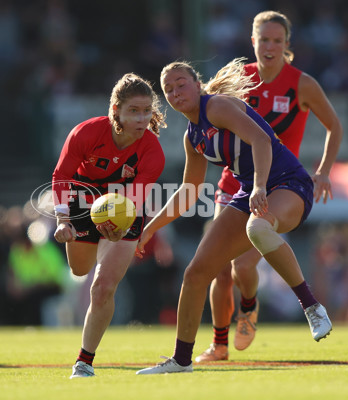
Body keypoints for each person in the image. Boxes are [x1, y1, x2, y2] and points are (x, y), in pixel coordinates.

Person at [136, 59, 332, 375]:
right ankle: (181, 360)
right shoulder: (192, 136)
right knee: (196, 272)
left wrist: (257, 187)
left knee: (258, 228)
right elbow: (188, 191)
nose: (175, 92)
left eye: (181, 83)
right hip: (250, 192)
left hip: (288, 183)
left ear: (197, 85)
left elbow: (262, 140)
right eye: (168, 89)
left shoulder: (218, 107)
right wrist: (149, 229)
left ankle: (312, 307)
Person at [196, 10, 343, 362]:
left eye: (277, 40)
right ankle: (218, 346)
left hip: (277, 185)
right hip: (233, 182)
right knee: (218, 266)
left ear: (287, 45)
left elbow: (334, 127)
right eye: (263, 39)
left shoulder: (301, 84)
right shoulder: (237, 79)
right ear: (253, 42)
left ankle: (249, 306)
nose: (270, 46)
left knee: (243, 267)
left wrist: (322, 171)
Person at [52, 73, 166, 378]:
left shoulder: (152, 152)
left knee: (102, 287)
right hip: (82, 200)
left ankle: (84, 361)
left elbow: (134, 200)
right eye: (133, 111)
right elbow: (60, 176)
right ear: (115, 109)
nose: (142, 119)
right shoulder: (86, 133)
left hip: (122, 206)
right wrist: (63, 220)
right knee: (79, 270)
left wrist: (119, 225)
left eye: (147, 111)